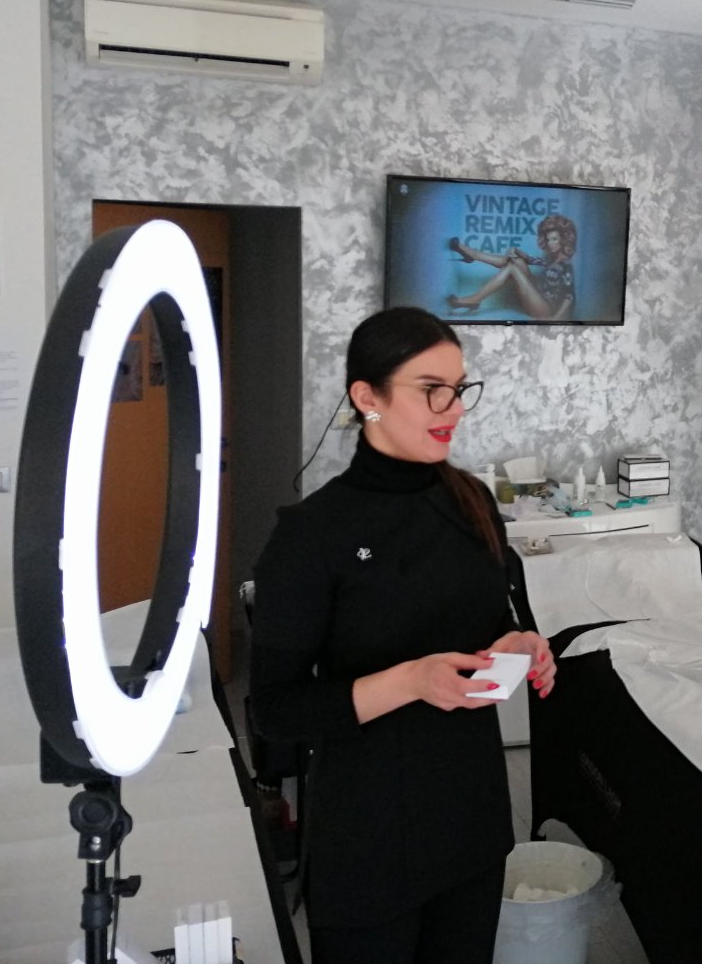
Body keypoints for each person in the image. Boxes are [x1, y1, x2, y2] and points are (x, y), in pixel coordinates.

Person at [249, 306, 557, 964]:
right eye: (431, 389)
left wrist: (517, 643)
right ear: (368, 397)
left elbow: (495, 620)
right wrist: (410, 681)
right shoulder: (312, 534)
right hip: (369, 838)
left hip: (471, 820)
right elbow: (274, 711)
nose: (455, 408)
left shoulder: (471, 501)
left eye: (460, 388)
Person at [446, 212, 576, 319]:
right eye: (548, 240)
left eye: (554, 239)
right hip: (537, 299)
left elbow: (569, 297)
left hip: (545, 310)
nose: (550, 243)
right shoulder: (551, 260)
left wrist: (554, 320)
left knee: (512, 267)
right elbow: (529, 260)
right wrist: (515, 250)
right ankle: (474, 255)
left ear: (563, 240)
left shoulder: (565, 265)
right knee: (517, 261)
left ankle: (474, 299)